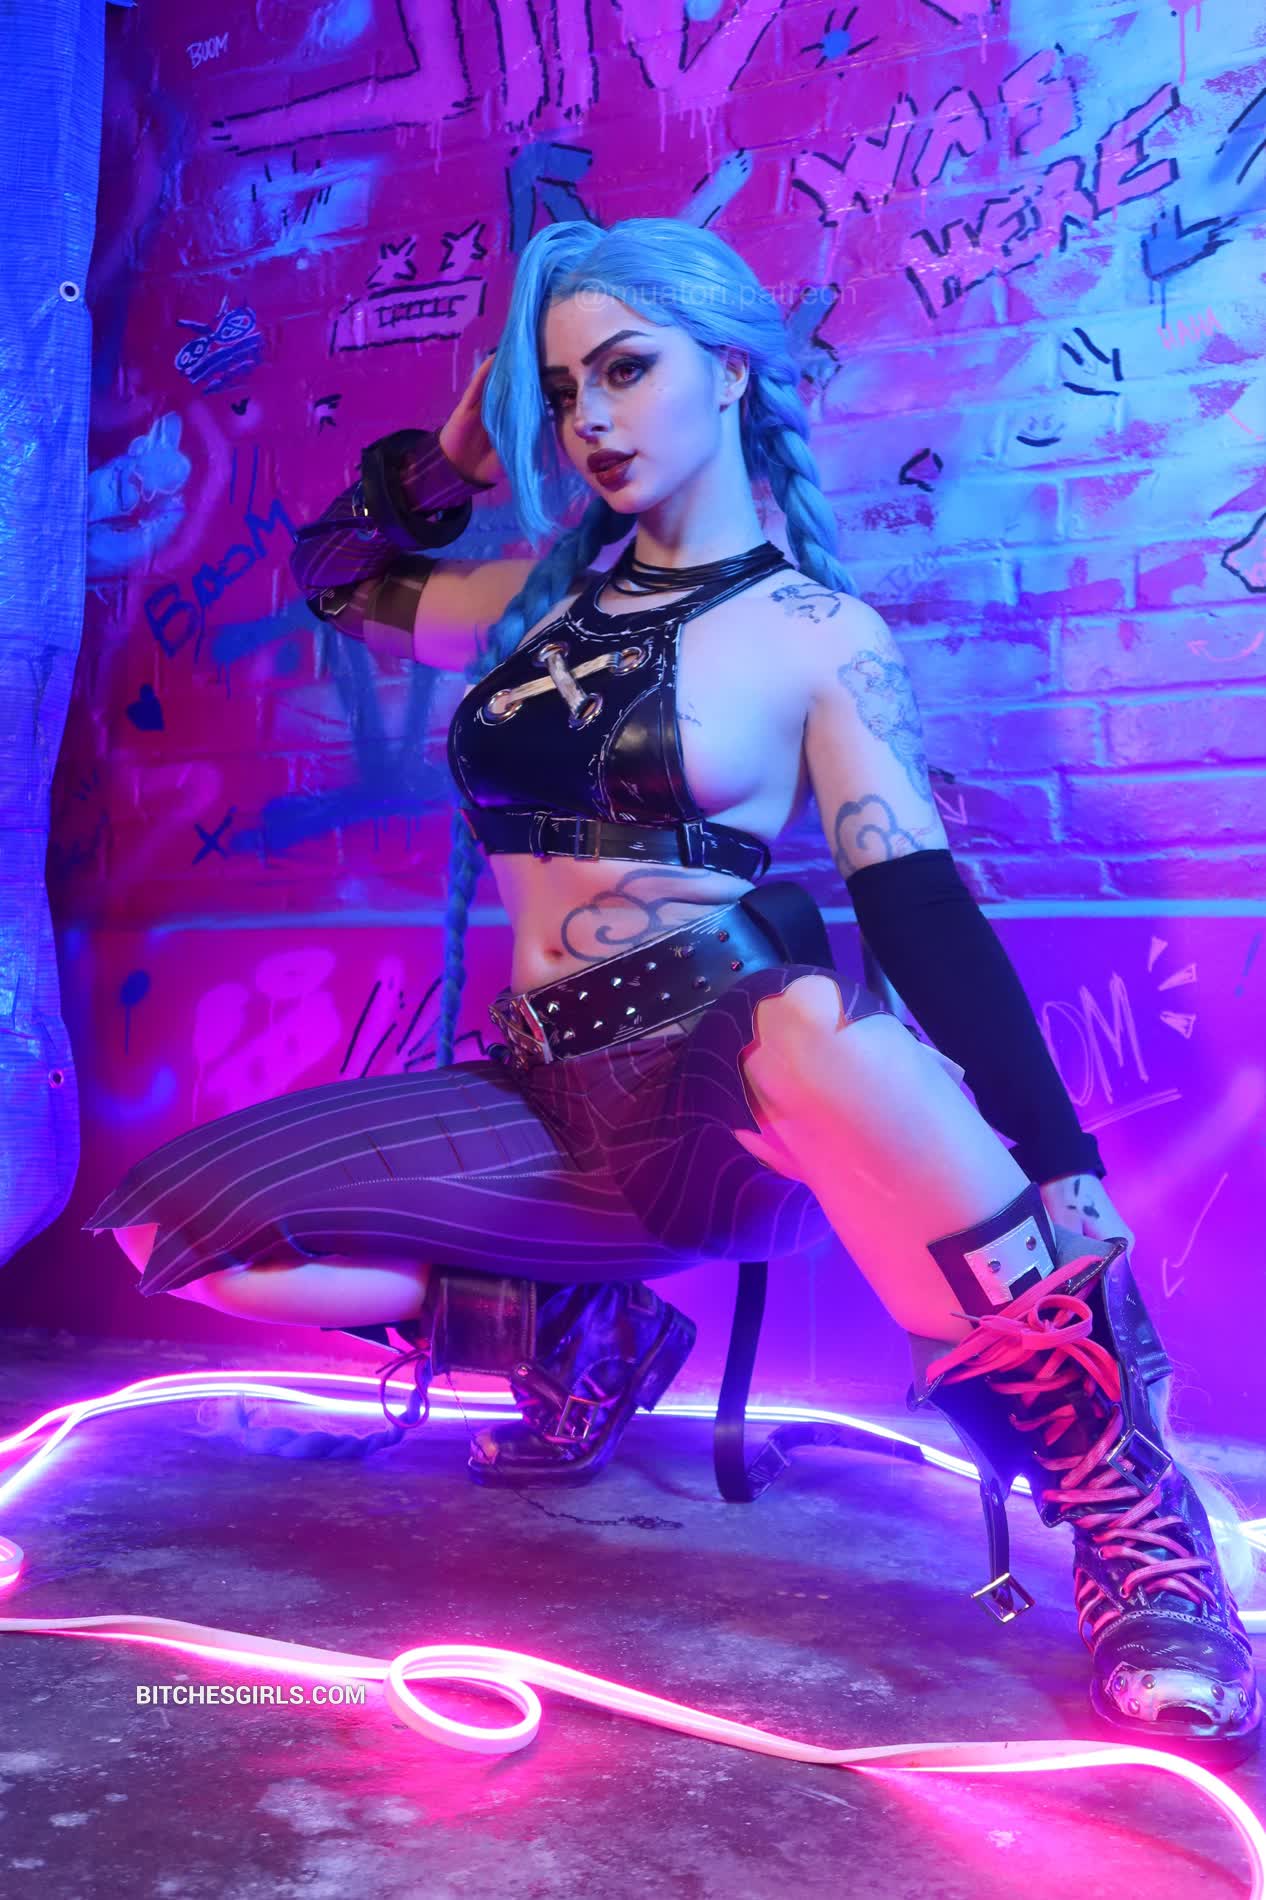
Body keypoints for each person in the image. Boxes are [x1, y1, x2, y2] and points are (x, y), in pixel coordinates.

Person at [84, 217, 1259, 1758]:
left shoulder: (815, 637)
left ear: (730, 368)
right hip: (537, 1085)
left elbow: (913, 900)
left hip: (728, 1094)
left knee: (821, 1023)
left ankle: (1126, 1516)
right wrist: (460, 446)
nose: (592, 418)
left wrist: (1057, 1158)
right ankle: (580, 1336)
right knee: (178, 1233)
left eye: (626, 370)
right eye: (564, 389)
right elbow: (337, 574)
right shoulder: (523, 611)